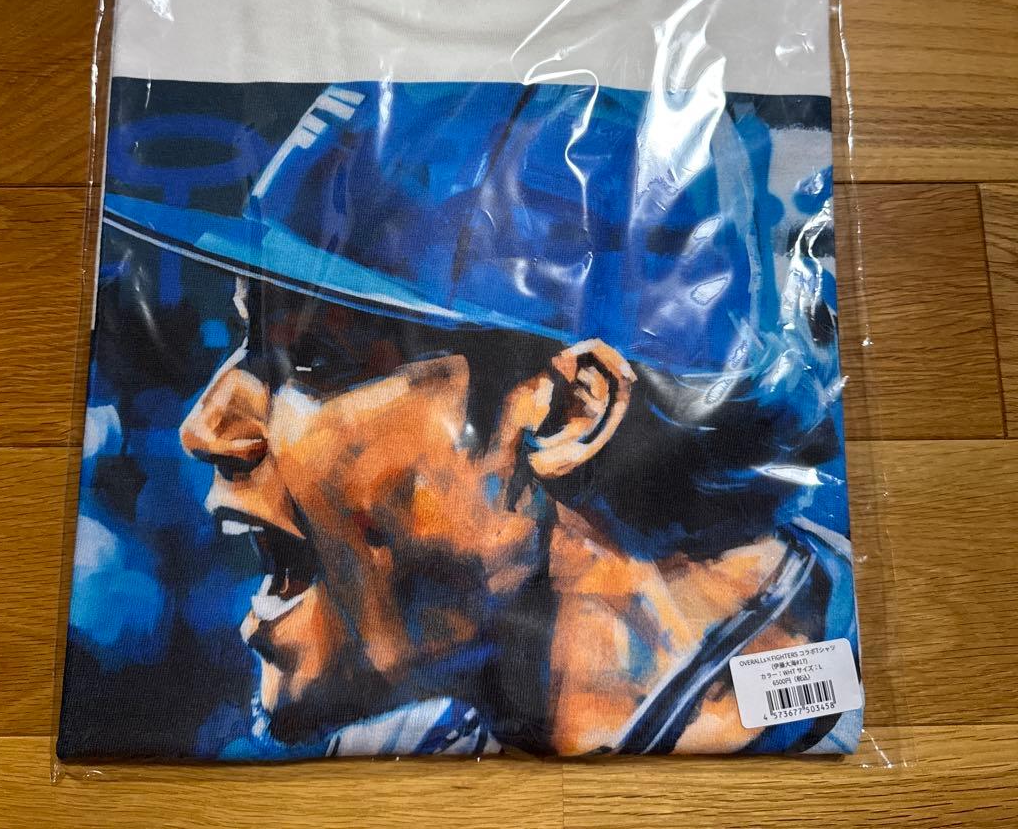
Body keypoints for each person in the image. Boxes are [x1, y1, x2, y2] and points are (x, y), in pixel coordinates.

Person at [102, 80, 858, 755]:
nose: (206, 427)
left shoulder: (841, 725)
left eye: (313, 359)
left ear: (568, 413)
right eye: (248, 341)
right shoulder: (402, 740)